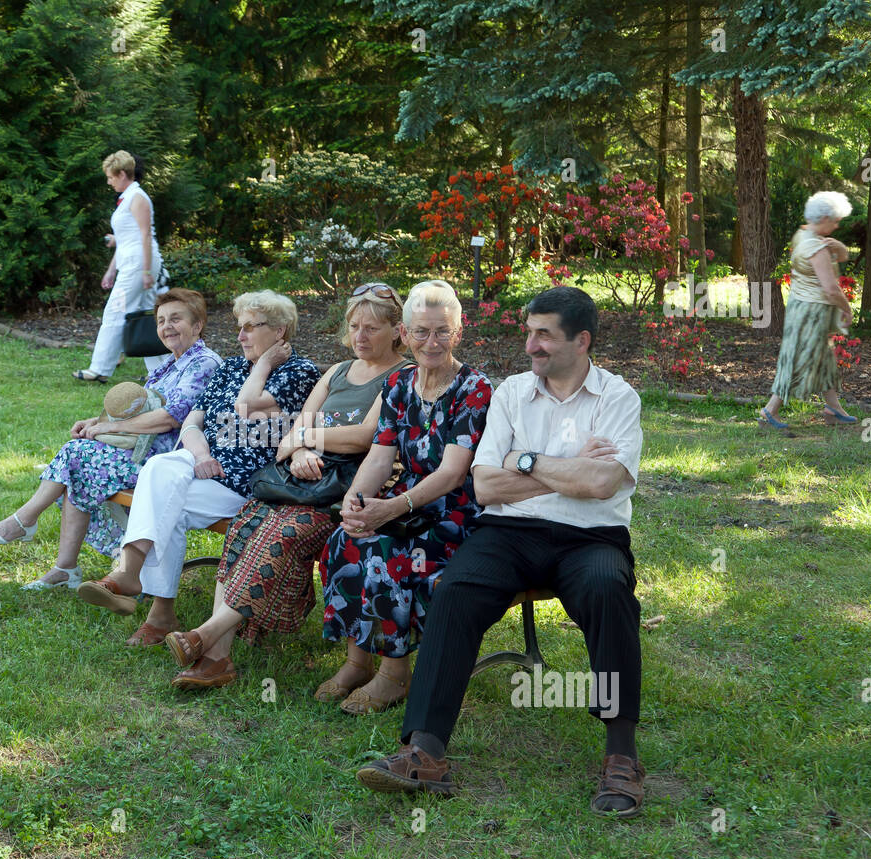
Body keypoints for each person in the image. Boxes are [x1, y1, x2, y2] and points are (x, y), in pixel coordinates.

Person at [355, 285, 649, 818]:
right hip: (507, 533)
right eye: (529, 332)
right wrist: (565, 467)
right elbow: (486, 487)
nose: (531, 345)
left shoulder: (618, 398)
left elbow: (604, 482)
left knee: (609, 592)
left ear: (581, 341)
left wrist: (527, 460)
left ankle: (621, 754)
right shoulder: (512, 392)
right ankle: (425, 750)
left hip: (592, 537)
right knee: (456, 591)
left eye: (544, 335)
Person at [165, 282, 410, 689]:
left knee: (284, 532)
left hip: (348, 489)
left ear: (396, 330)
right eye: (354, 327)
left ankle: (207, 637)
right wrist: (297, 452)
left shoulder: (401, 376)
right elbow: (291, 434)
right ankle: (216, 658)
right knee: (246, 525)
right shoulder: (336, 372)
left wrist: (306, 440)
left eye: (372, 328)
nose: (360, 337)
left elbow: (365, 437)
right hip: (300, 477)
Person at [75, 290, 319, 661]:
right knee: (159, 471)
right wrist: (201, 454)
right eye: (240, 327)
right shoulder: (232, 367)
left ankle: (152, 603)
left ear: (281, 331)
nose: (240, 336)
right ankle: (139, 586)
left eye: (250, 327)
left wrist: (265, 363)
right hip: (201, 466)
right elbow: (192, 421)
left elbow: (247, 405)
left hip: (245, 481)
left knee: (162, 501)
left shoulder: (300, 372)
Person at [318, 280, 494, 715]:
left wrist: (391, 509)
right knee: (344, 539)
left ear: (458, 331)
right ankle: (357, 661)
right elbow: (379, 458)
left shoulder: (475, 388)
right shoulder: (398, 382)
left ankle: (395, 674)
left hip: (454, 509)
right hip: (402, 497)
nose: (430, 342)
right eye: (420, 332)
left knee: (384, 549)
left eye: (441, 331)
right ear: (405, 333)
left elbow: (453, 472)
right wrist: (355, 504)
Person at [0, 289, 220, 590]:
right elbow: (136, 410)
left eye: (176, 319)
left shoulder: (203, 363)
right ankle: (60, 565)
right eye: (161, 320)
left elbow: (170, 418)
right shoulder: (168, 365)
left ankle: (27, 525)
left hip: (167, 460)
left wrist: (110, 430)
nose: (167, 326)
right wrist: (96, 422)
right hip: (142, 450)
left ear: (197, 325)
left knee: (77, 459)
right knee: (78, 461)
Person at [759, 190, 858, 428]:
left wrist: (839, 246)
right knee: (797, 359)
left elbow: (843, 256)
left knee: (823, 359)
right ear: (823, 218)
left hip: (801, 306)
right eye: (835, 221)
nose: (836, 226)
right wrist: (848, 309)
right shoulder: (816, 247)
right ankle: (769, 411)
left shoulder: (803, 235)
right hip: (812, 312)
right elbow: (832, 289)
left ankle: (833, 409)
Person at [75, 150, 164, 383]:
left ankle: (100, 369)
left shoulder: (138, 198)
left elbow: (145, 235)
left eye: (111, 177)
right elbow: (127, 237)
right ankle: (163, 371)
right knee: (149, 317)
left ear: (123, 174)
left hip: (139, 263)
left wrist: (146, 271)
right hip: (131, 262)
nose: (108, 181)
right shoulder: (128, 198)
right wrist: (111, 269)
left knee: (115, 311)